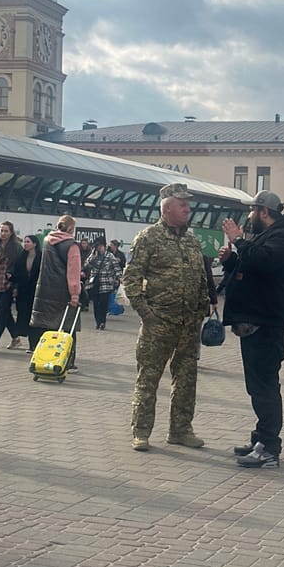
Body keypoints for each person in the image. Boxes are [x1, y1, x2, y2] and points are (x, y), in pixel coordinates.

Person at [219, 189, 284, 468]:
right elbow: (253, 267)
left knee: (265, 387)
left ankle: (268, 447)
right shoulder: (271, 235)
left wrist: (239, 240)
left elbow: (264, 262)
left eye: (253, 211)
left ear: (265, 212)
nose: (250, 216)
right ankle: (260, 439)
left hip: (267, 324)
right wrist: (230, 260)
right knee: (257, 387)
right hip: (255, 321)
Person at [124, 183, 209, 451]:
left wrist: (203, 307)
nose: (188, 209)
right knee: (148, 378)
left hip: (188, 325)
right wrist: (146, 313)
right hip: (158, 323)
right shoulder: (148, 237)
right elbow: (131, 278)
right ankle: (141, 432)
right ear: (167, 208)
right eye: (183, 205)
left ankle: (181, 430)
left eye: (188, 204)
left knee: (186, 380)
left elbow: (201, 278)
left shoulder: (192, 240)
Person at [30, 215, 81, 372]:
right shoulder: (71, 245)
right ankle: (68, 362)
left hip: (45, 289)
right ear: (72, 228)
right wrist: (74, 294)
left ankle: (45, 359)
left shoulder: (46, 240)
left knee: (47, 327)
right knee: (67, 328)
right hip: (62, 292)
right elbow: (73, 272)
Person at [0, 221, 23, 352]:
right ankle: (16, 338)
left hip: (9, 285)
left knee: (2, 312)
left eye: (6, 231)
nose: (3, 233)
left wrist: (16, 286)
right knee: (5, 313)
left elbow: (19, 268)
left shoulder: (17, 247)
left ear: (11, 232)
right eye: (1, 230)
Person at [11, 234, 42, 353]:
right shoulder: (22, 256)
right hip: (23, 292)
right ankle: (30, 344)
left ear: (34, 244)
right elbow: (18, 273)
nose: (25, 244)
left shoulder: (40, 257)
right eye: (25, 242)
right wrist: (12, 278)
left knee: (34, 318)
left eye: (28, 242)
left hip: (35, 291)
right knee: (25, 317)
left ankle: (35, 343)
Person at [84, 236, 122, 330]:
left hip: (106, 284)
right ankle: (98, 321)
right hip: (95, 283)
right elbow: (86, 265)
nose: (99, 248)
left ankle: (102, 322)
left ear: (104, 246)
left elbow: (116, 267)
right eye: (97, 246)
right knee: (96, 304)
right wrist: (92, 258)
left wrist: (119, 278)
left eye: (100, 246)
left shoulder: (109, 256)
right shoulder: (93, 255)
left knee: (103, 304)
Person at [78, 237, 93, 311]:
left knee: (86, 289)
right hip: (79, 272)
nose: (84, 245)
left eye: (85, 243)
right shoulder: (78, 251)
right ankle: (81, 304)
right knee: (80, 289)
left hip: (87, 273)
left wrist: (85, 273)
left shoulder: (90, 252)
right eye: (82, 243)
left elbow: (90, 264)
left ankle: (86, 304)